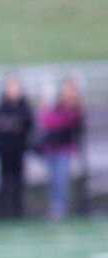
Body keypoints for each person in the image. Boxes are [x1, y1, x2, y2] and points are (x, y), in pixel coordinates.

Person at [39, 77, 85, 221]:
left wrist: (47, 113)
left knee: (61, 181)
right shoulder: (58, 106)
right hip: (51, 149)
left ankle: (60, 210)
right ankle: (55, 209)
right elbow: (46, 121)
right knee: (53, 181)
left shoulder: (75, 109)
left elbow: (59, 122)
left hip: (64, 150)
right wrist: (45, 111)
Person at [0, 75, 34, 219]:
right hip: (4, 149)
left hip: (19, 149)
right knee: (4, 180)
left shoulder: (24, 107)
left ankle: (18, 209)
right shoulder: (1, 106)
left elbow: (27, 125)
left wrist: (11, 125)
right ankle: (3, 210)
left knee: (18, 180)